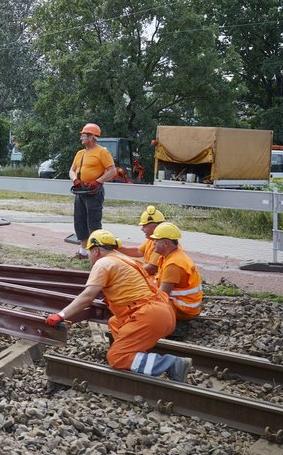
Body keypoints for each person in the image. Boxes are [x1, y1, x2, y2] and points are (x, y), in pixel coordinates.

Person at [45, 229, 192, 382]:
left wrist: (60, 315)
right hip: (163, 312)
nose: (89, 256)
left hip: (149, 315)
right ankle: (132, 351)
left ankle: (171, 364)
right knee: (114, 322)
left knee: (116, 357)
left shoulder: (103, 263)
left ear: (95, 250)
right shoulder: (125, 259)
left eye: (89, 252)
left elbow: (87, 297)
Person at [68, 122, 116, 259]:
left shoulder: (102, 152)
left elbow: (112, 171)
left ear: (91, 137)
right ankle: (83, 252)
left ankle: (97, 253)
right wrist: (75, 180)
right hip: (80, 191)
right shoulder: (80, 153)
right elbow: (71, 170)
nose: (81, 138)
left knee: (93, 222)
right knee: (79, 220)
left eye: (83, 135)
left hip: (94, 191)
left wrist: (97, 182)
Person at [148, 222, 203, 320]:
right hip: (184, 304)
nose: (153, 243)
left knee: (146, 308)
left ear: (166, 244)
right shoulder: (170, 256)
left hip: (183, 308)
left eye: (156, 240)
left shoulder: (173, 265)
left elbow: (162, 295)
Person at [118, 205, 167, 275]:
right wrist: (116, 246)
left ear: (155, 226)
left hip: (156, 282)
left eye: (144, 225)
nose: (142, 229)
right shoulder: (153, 239)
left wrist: (124, 273)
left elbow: (151, 269)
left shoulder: (162, 243)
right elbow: (137, 251)